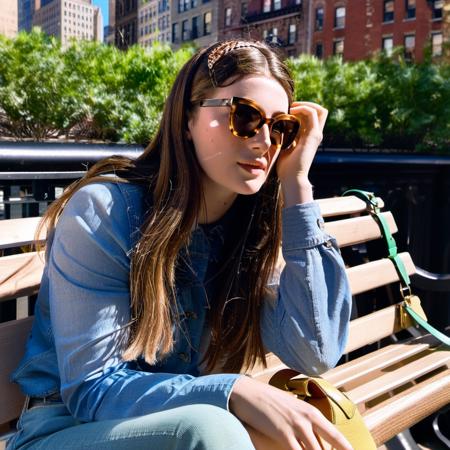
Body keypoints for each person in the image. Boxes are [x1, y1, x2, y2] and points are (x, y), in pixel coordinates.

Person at [8, 39, 353, 450]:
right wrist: (234, 390)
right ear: (187, 119)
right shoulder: (106, 212)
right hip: (65, 430)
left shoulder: (246, 231)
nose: (264, 141)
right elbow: (92, 389)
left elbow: (314, 351)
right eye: (245, 116)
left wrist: (297, 183)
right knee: (212, 429)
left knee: (304, 437)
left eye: (281, 127)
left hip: (182, 425)